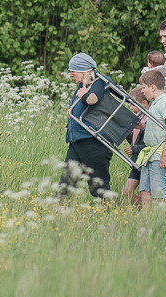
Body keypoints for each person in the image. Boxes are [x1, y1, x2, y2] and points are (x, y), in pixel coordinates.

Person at [59, 52, 115, 199]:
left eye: (73, 71)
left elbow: (92, 100)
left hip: (94, 143)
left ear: (84, 71)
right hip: (77, 142)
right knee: (66, 184)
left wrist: (83, 94)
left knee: (99, 187)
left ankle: (111, 214)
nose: (70, 74)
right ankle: (59, 215)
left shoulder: (99, 82)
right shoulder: (83, 85)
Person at [135, 69, 166, 208]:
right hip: (150, 154)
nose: (142, 91)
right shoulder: (154, 103)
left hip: (159, 154)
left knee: (158, 193)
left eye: (143, 88)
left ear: (153, 87)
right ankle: (147, 222)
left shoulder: (165, 102)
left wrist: (165, 153)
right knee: (144, 191)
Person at [120, 84, 149, 206]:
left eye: (133, 104)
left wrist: (134, 149)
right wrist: (126, 132)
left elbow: (150, 145)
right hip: (136, 163)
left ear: (144, 103)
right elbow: (134, 140)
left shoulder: (149, 120)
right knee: (127, 193)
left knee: (145, 194)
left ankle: (147, 212)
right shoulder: (138, 117)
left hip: (145, 162)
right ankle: (142, 210)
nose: (131, 107)